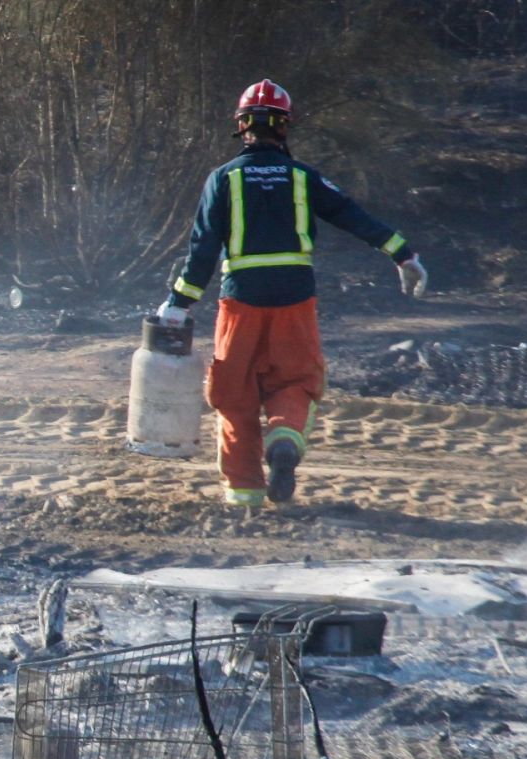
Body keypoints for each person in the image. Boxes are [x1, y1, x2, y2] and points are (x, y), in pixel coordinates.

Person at [159, 78, 428, 508]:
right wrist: (403, 254)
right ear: (284, 127)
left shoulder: (223, 179)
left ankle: (244, 494)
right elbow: (351, 214)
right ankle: (284, 440)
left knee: (234, 393)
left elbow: (203, 249)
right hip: (295, 302)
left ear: (241, 125)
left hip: (241, 302)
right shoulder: (303, 178)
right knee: (296, 382)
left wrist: (178, 304)